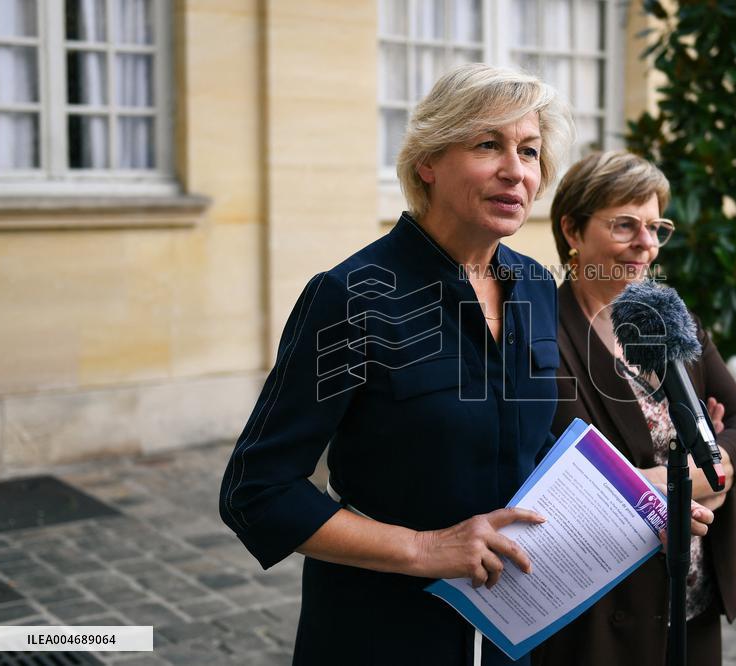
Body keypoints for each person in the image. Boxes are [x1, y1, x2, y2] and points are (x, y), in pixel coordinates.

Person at [219, 64, 575, 666]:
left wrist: (638, 510)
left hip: (512, 630)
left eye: (530, 151)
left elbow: (533, 448)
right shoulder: (351, 296)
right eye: (488, 144)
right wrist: (424, 548)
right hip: (381, 634)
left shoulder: (538, 287)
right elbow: (257, 490)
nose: (516, 169)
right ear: (426, 164)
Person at [533, 151, 736, 666]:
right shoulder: (543, 334)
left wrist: (695, 475)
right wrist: (710, 477)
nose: (647, 243)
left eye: (656, 226)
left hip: (693, 597)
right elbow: (594, 487)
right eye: (625, 225)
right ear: (572, 229)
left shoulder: (672, 317)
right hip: (610, 609)